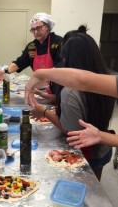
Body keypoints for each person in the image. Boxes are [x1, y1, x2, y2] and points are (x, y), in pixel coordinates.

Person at [28, 28, 115, 180]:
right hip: (104, 148)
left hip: (85, 152)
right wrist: (50, 95)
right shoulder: (106, 79)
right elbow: (85, 88)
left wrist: (44, 112)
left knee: (84, 188)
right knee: (95, 187)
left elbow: (70, 131)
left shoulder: (69, 92)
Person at [25, 68, 118, 148]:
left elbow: (83, 81)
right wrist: (100, 136)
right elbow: (84, 81)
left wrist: (39, 74)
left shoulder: (69, 92)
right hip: (103, 150)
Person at [0, 12, 63, 93]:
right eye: (33, 29)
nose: (36, 32)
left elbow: (60, 67)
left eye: (39, 28)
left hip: (57, 89)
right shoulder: (32, 46)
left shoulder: (59, 42)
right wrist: (5, 71)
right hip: (39, 89)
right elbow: (19, 62)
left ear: (47, 27)